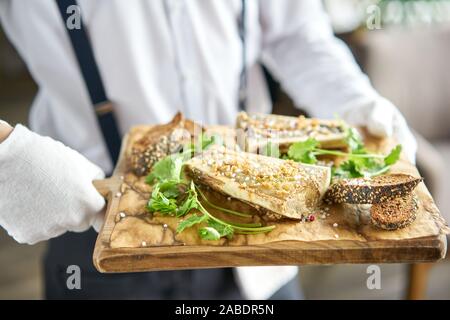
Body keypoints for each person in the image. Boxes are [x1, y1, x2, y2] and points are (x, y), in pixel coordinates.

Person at [0, 0, 417, 299]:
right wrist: (7, 151)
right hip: (95, 222)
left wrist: (353, 102)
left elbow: (295, 33)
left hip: (257, 232)